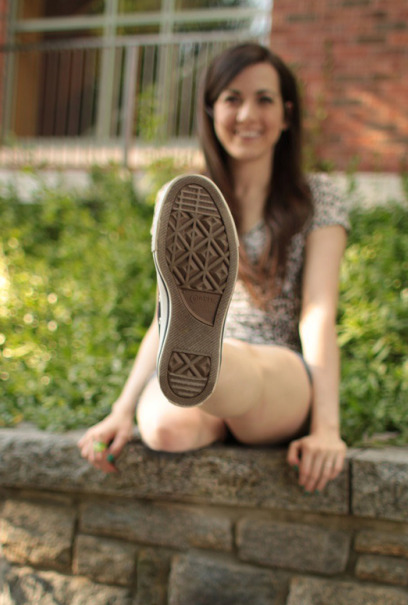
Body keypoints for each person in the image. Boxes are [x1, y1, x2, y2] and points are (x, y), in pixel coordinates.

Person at [79, 42, 349, 493]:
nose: (247, 115)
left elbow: (318, 312)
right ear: (211, 111)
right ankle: (199, 358)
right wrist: (121, 409)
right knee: (166, 429)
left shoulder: (317, 196)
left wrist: (327, 427)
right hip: (201, 384)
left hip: (279, 375)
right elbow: (162, 315)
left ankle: (208, 357)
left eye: (263, 99)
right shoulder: (187, 199)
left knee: (234, 360)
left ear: (286, 114)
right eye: (232, 99)